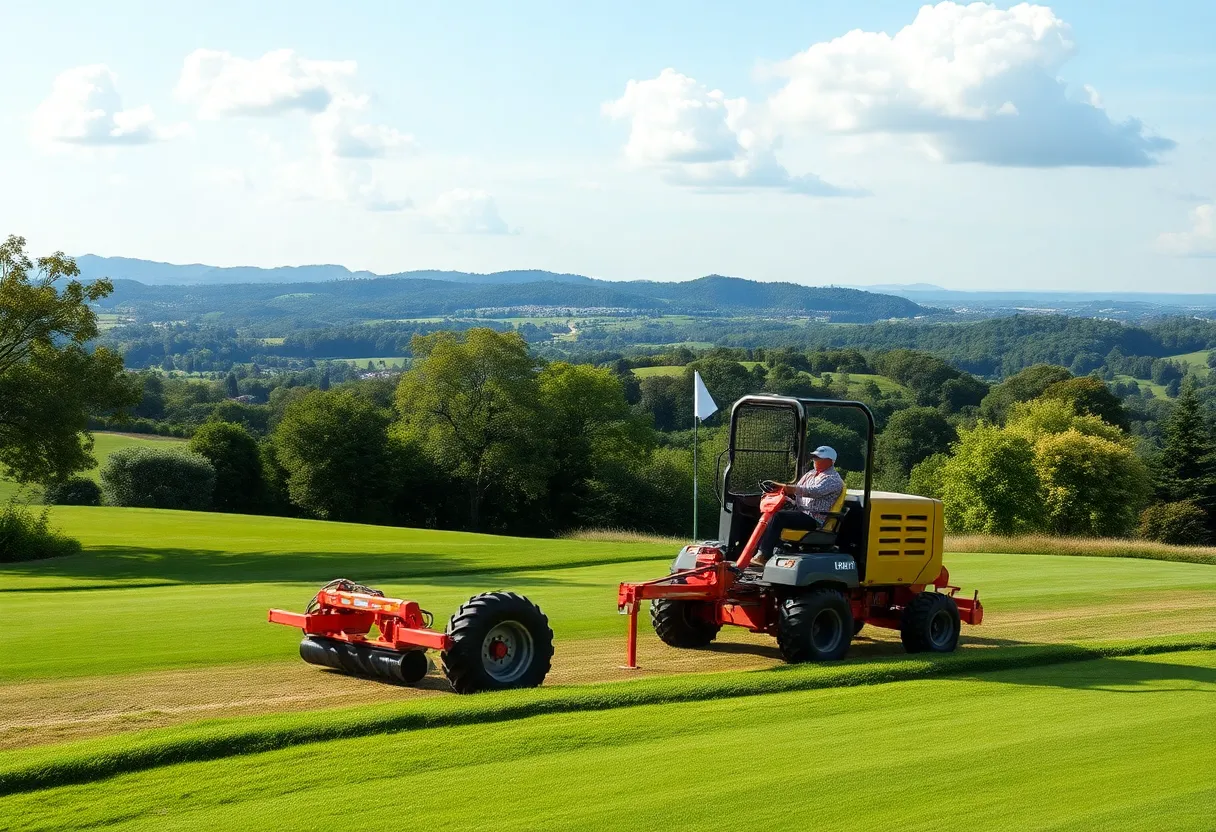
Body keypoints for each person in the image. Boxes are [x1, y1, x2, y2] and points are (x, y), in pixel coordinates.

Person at [753, 445, 845, 566]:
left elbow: (813, 491)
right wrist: (786, 496)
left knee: (779, 517)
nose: (814, 460)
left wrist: (785, 487)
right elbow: (798, 491)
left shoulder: (833, 479)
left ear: (830, 461)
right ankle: (759, 551)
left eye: (818, 458)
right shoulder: (810, 474)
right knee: (767, 514)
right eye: (814, 457)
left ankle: (763, 555)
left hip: (814, 517)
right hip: (801, 511)